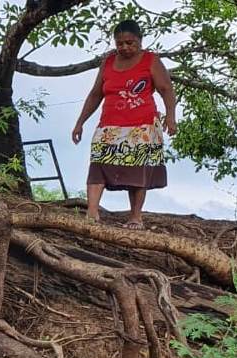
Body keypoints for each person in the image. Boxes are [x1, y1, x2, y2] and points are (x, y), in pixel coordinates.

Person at [71, 19, 177, 229]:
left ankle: (135, 217)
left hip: (142, 126)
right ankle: (92, 212)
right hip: (110, 126)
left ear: (139, 40)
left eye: (130, 43)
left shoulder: (150, 60)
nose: (125, 47)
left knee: (137, 170)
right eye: (120, 43)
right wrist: (80, 122)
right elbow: (95, 94)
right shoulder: (108, 62)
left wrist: (170, 117)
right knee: (99, 164)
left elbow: (166, 89)